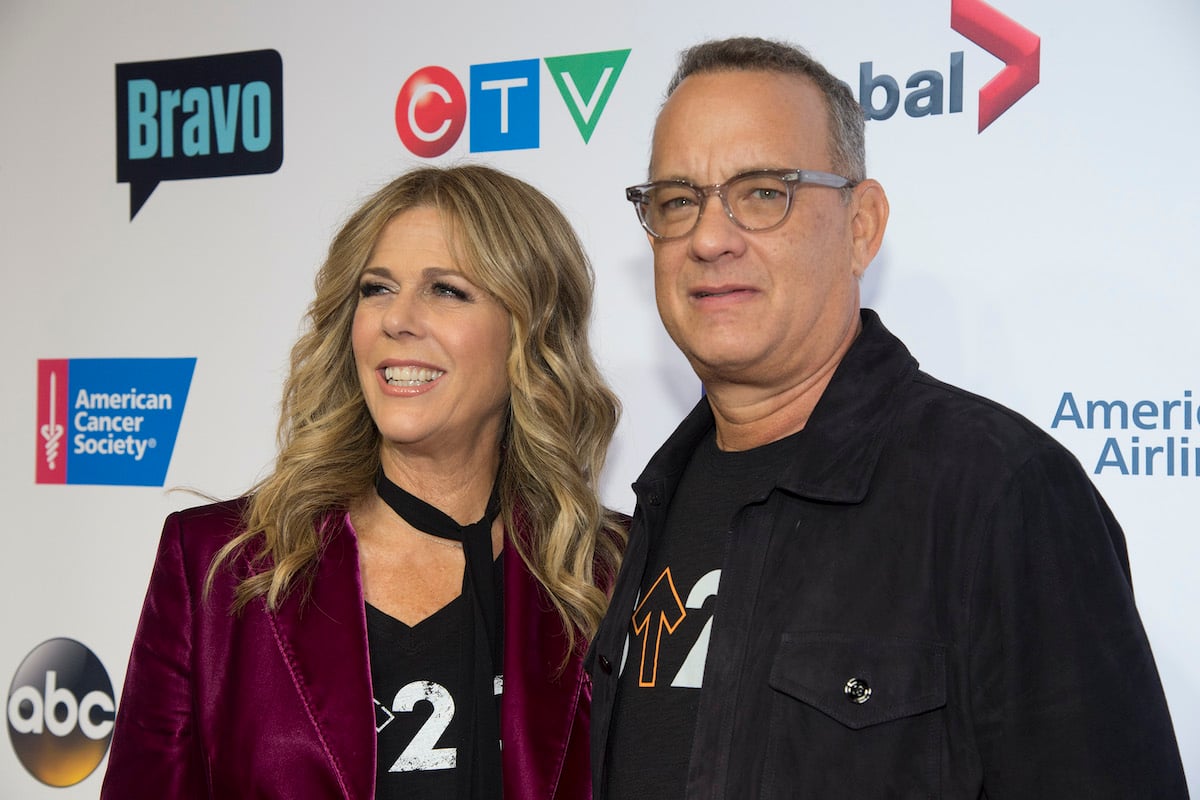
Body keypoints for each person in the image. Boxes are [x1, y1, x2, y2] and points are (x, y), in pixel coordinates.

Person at [587, 36, 1190, 799]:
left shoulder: (1000, 494)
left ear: (862, 225)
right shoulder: (650, 507)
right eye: (677, 201)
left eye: (763, 192)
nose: (709, 238)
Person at [101, 164, 624, 800]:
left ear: (529, 333)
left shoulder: (603, 575)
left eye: (447, 291)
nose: (396, 320)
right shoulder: (221, 564)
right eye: (377, 289)